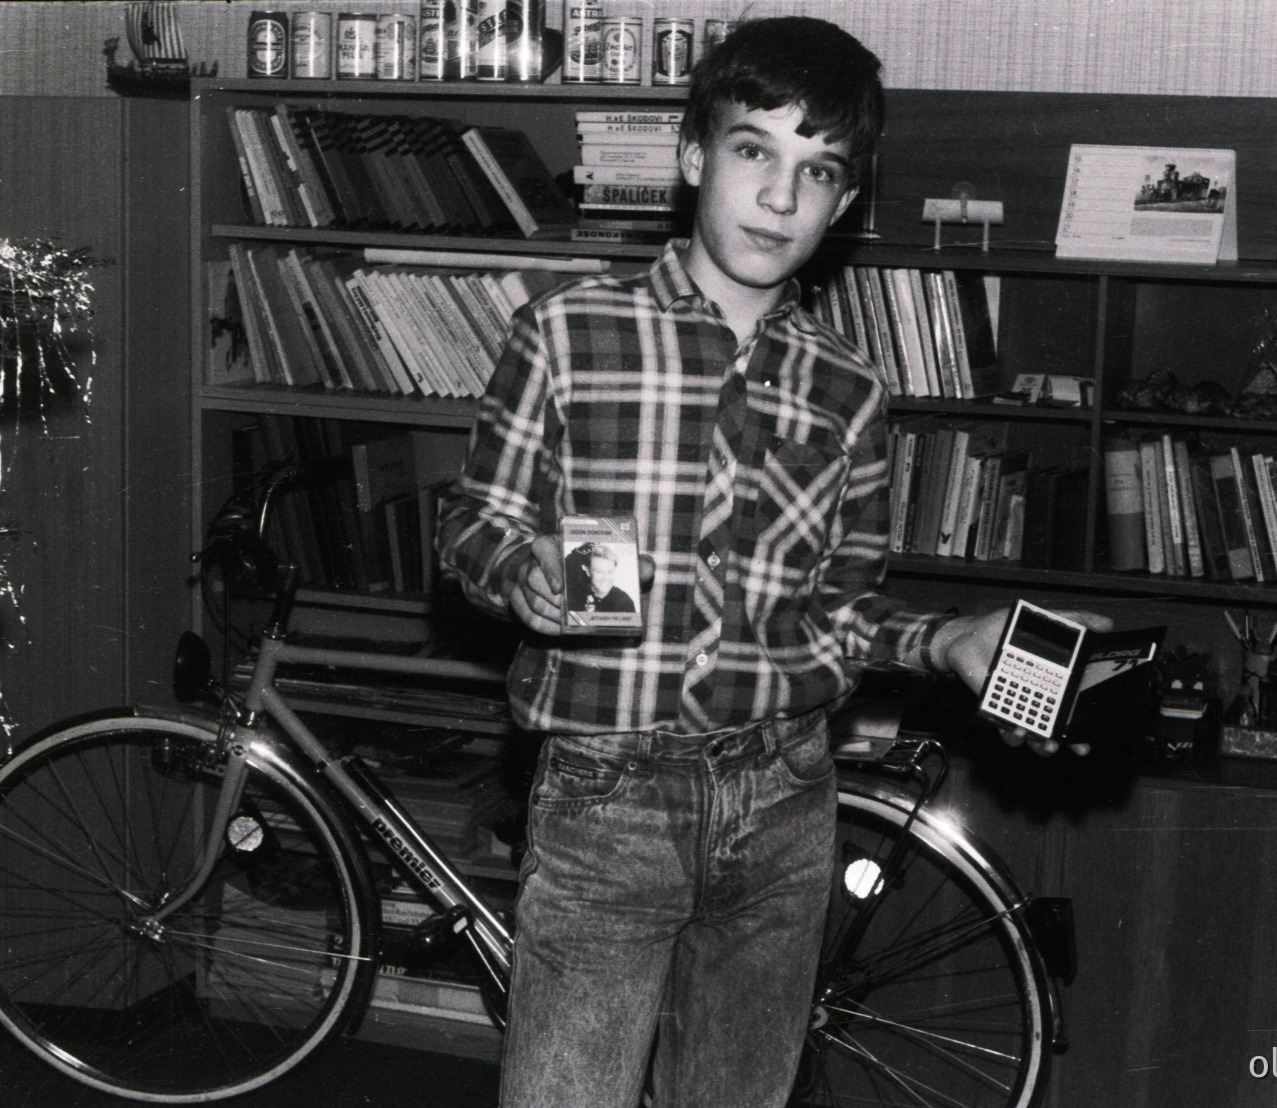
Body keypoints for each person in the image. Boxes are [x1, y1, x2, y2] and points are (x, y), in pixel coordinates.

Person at [436, 16, 1109, 1107]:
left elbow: (840, 613)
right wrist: (522, 573)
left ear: (843, 204)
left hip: (785, 799)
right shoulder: (564, 333)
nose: (780, 197)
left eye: (817, 171)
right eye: (755, 151)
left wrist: (950, 642)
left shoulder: (847, 387)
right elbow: (472, 521)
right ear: (695, 155)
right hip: (606, 796)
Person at [564, 541, 637, 613]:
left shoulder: (625, 603)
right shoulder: (575, 594)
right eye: (598, 572)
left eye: (610, 572)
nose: (605, 578)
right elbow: (567, 563)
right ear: (587, 571)